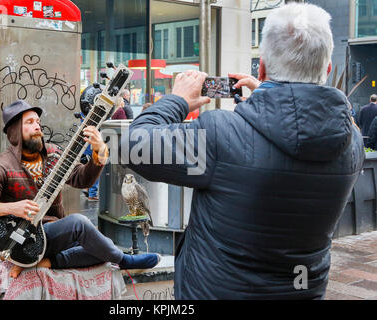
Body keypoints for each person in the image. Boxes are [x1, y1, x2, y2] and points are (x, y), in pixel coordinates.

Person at [120, 3, 364, 299]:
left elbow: (132, 146)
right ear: (327, 69)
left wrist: (178, 100)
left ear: (260, 67)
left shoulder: (220, 135)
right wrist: (270, 101)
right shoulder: (352, 141)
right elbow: (298, 130)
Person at [0, 100, 160, 278]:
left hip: (53, 234)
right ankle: (124, 261)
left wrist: (99, 152)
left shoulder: (53, 154)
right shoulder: (3, 166)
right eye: (30, 122)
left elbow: (83, 179)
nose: (37, 126)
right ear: (15, 130)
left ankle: (47, 262)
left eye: (38, 121)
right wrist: (12, 208)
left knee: (98, 246)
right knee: (79, 223)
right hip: (24, 239)